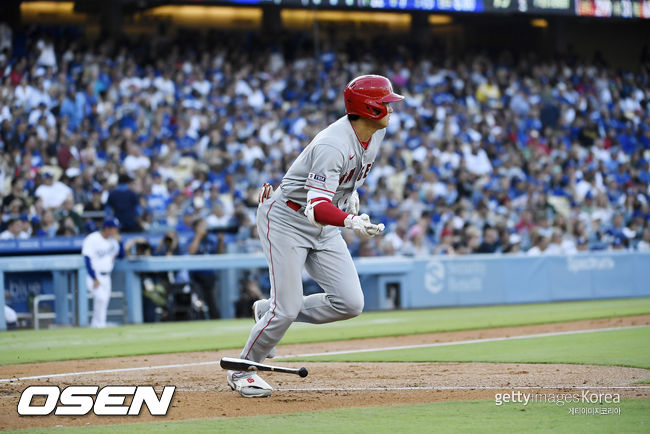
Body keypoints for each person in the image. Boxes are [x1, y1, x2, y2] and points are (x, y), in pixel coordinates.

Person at [227, 75, 402, 398]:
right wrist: (350, 220)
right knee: (288, 308)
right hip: (287, 219)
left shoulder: (373, 136)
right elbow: (316, 207)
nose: (392, 108)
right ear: (369, 108)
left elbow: (342, 182)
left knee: (350, 303)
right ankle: (242, 369)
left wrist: (348, 196)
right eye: (387, 103)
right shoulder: (332, 144)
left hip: (323, 225)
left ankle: (268, 311)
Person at [81, 217, 131, 328]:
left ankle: (98, 325)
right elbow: (87, 259)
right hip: (94, 275)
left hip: (107, 276)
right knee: (101, 298)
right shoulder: (93, 238)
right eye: (114, 228)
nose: (116, 231)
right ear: (107, 228)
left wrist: (121, 242)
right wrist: (94, 278)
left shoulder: (113, 241)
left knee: (104, 301)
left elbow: (121, 255)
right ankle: (99, 325)